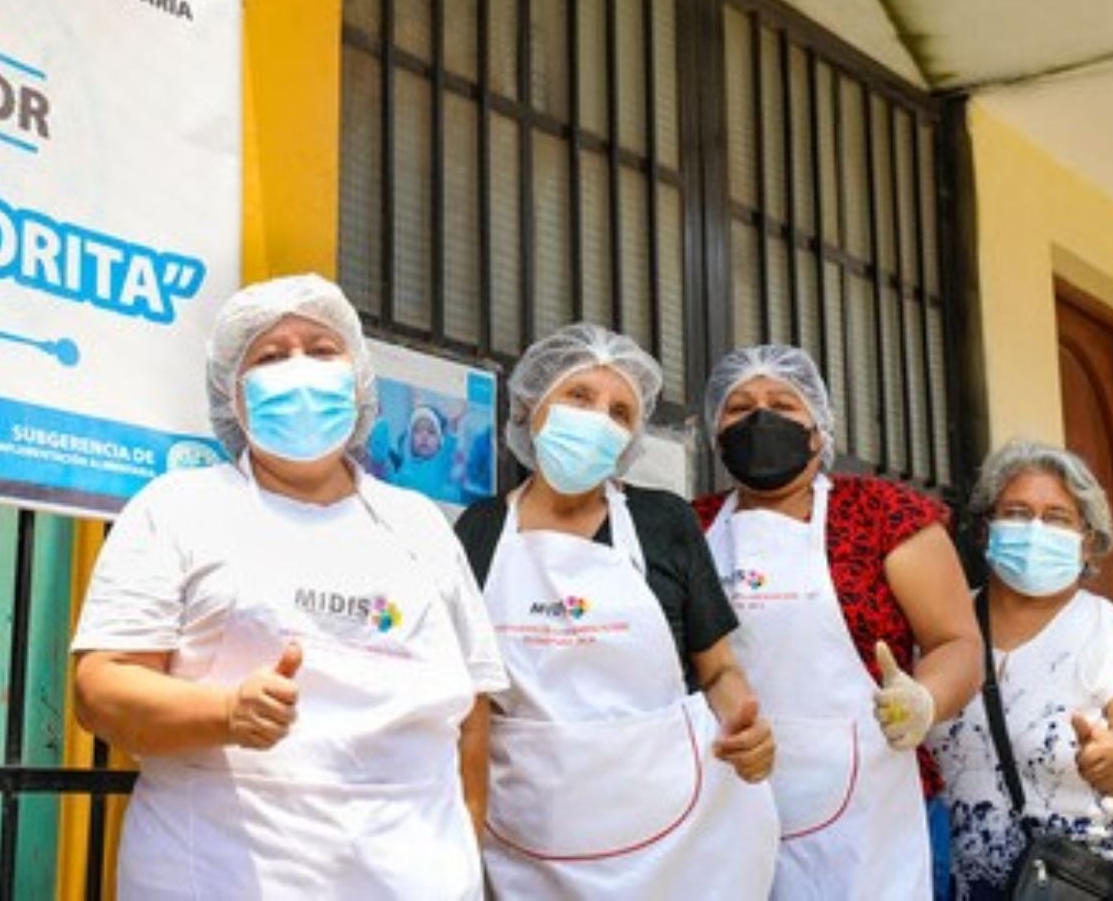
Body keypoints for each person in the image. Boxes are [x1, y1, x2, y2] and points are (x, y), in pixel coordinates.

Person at [70, 274, 508, 900]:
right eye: (271, 357)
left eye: (323, 350)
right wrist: (225, 713)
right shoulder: (177, 507)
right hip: (223, 875)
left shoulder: (420, 525)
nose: (300, 368)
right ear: (235, 395)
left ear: (358, 380)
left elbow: (471, 714)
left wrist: (464, 848)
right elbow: (100, 687)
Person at [454, 323, 779, 897]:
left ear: (630, 440)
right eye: (580, 397)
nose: (598, 419)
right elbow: (465, 702)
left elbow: (719, 669)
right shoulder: (480, 530)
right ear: (532, 406)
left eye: (620, 412)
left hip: (671, 840)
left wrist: (740, 722)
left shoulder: (664, 522)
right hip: (526, 841)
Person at [692, 343, 983, 900]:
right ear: (714, 431)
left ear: (819, 430)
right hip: (727, 799)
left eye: (783, 402)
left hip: (873, 815)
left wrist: (925, 700)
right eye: (738, 407)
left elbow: (957, 642)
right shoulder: (689, 527)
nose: (760, 418)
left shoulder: (882, 513)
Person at [926, 440, 1113, 900]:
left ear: (1087, 541)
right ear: (985, 530)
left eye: (1056, 518)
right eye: (1015, 512)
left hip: (1091, 886)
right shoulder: (944, 628)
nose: (1034, 529)